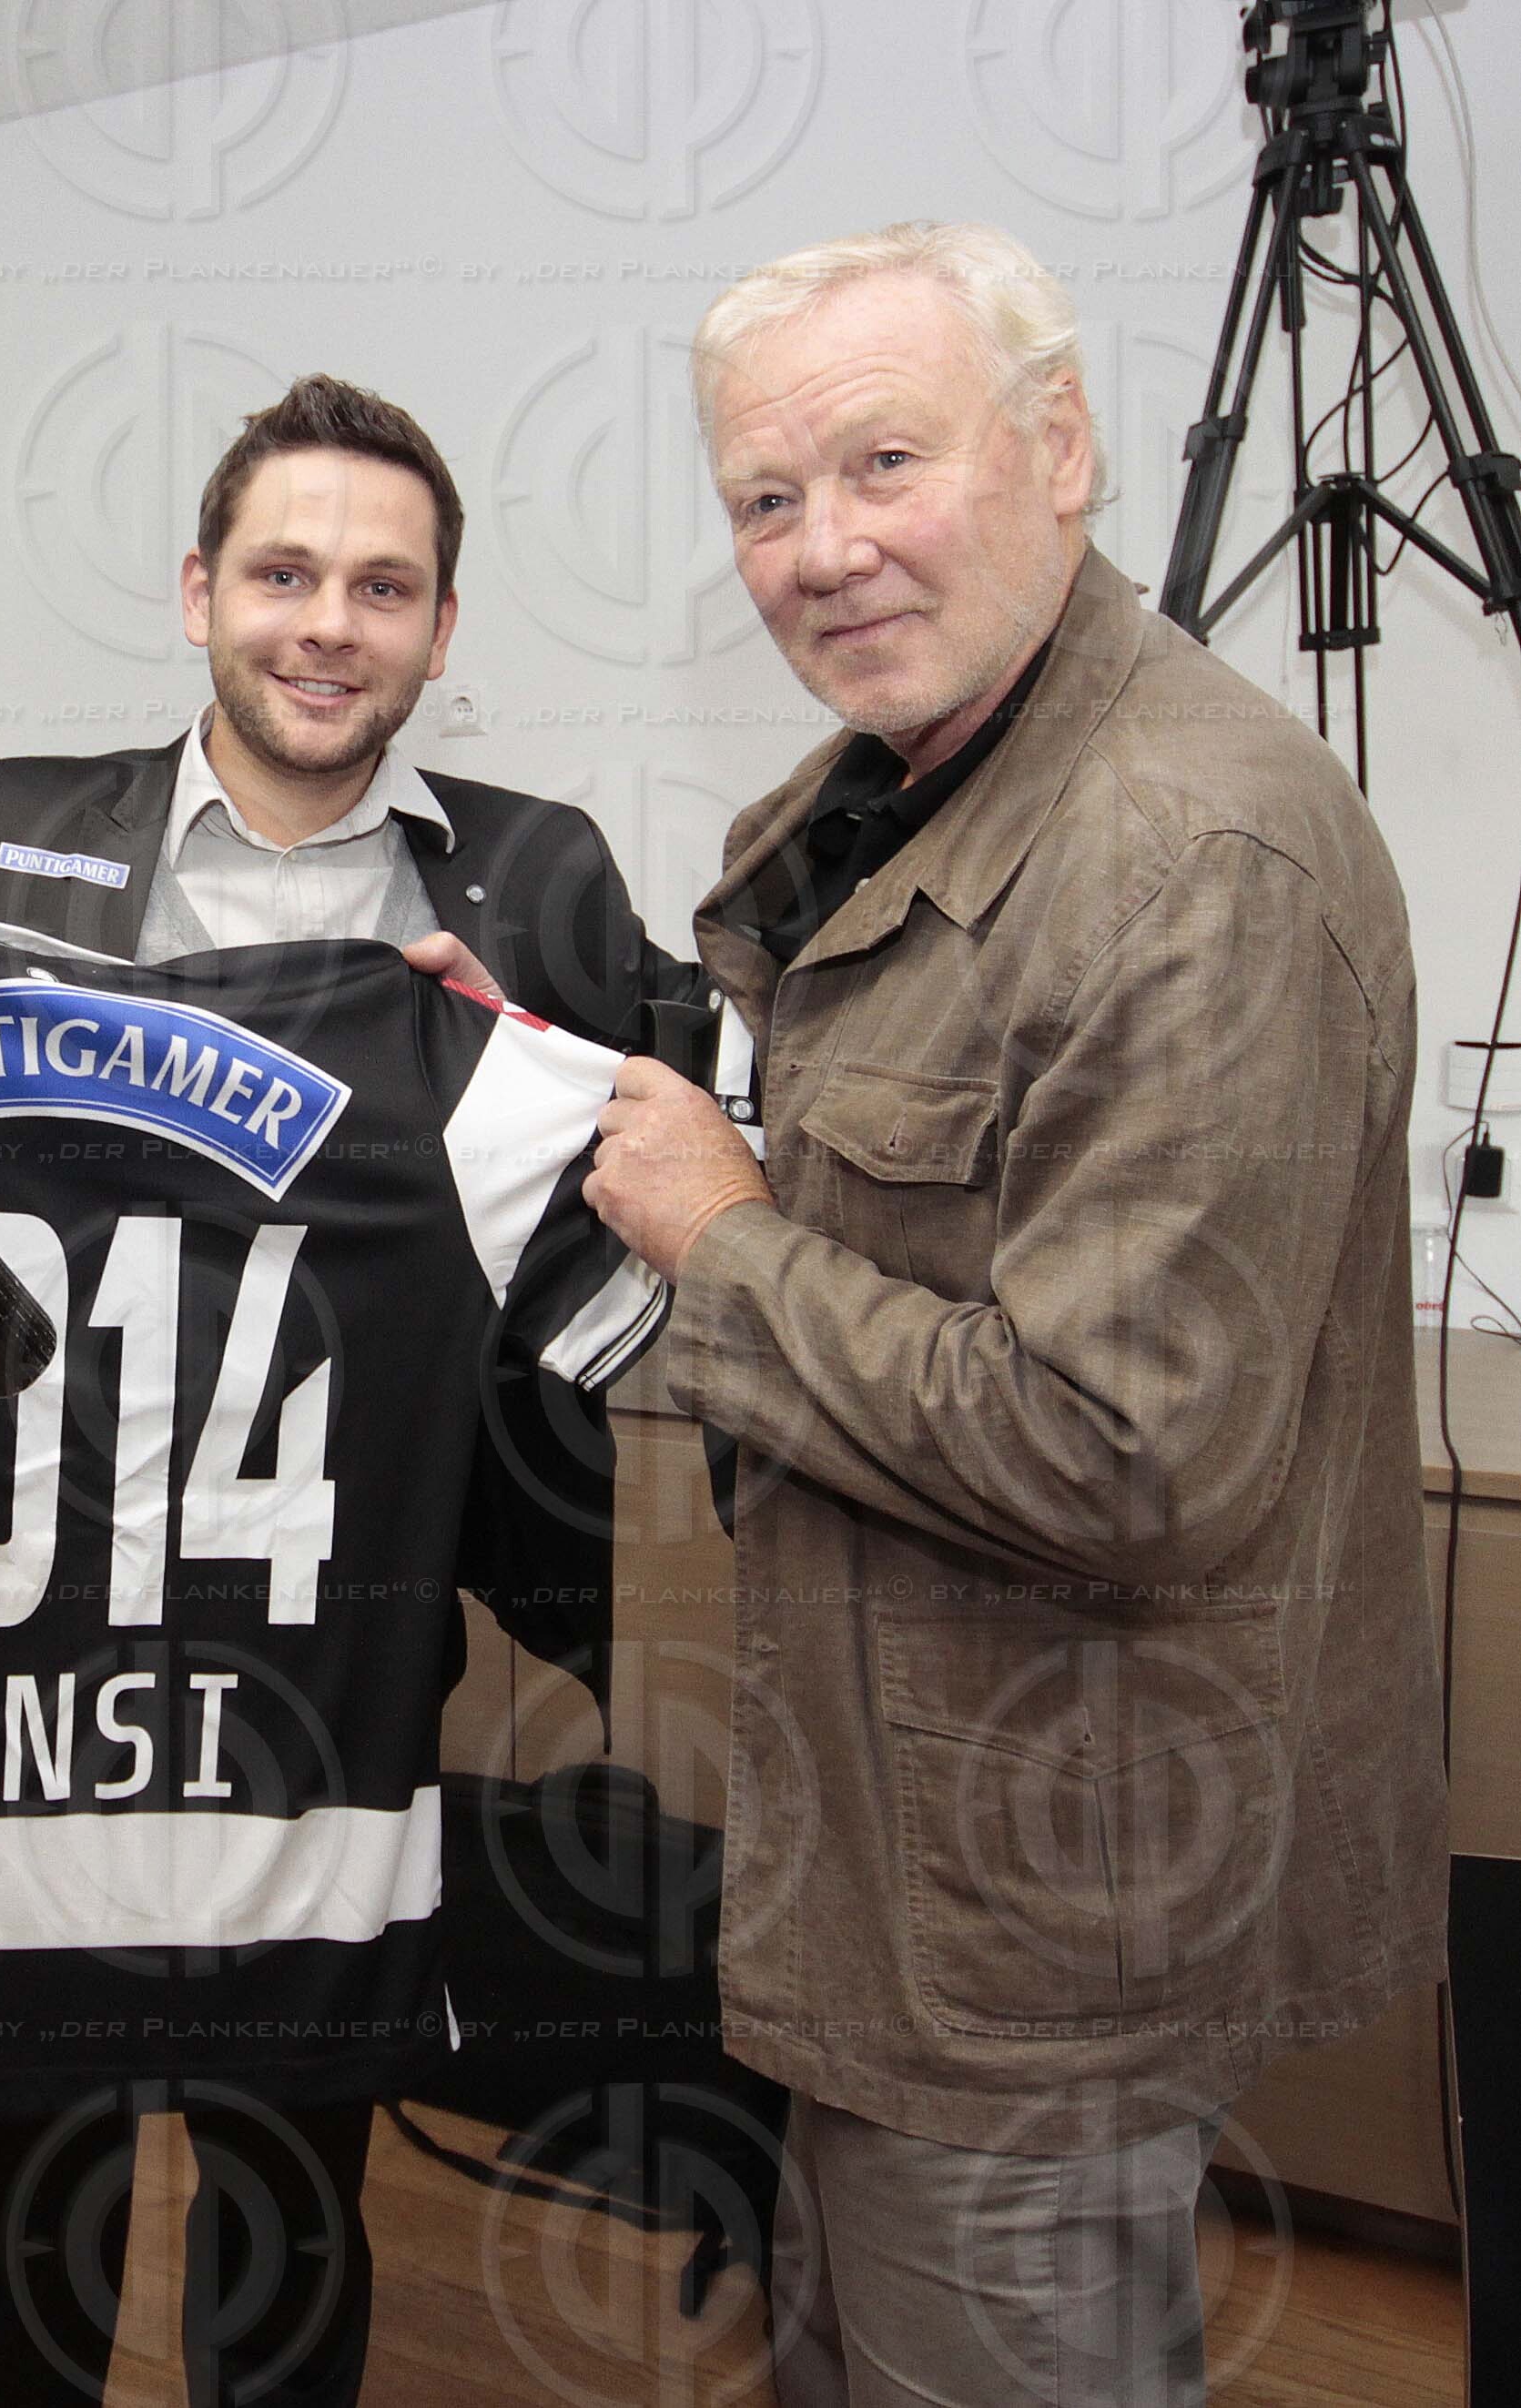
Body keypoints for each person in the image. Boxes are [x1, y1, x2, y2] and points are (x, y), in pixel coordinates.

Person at [0, 374, 689, 2408]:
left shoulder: (541, 879)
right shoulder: (0, 825)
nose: (330, 623)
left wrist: (524, 1054)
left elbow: (647, 1169)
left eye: (386, 587)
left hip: (339, 1605)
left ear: (442, 633)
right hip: (24, 1608)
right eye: (285, 572)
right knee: (27, 2146)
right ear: (201, 592)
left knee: (298, 2152)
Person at [576, 222, 1449, 2406]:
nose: (821, 549)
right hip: (900, 1862)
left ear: (1059, 448)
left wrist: (717, 1237)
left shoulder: (1188, 858)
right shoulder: (932, 773)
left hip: (1030, 1913)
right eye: (764, 501)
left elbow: (1123, 1448)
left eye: (883, 463)